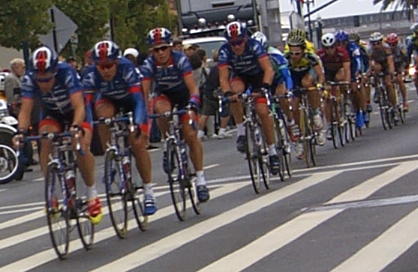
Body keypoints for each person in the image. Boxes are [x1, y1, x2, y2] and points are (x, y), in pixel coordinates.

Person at [14, 46, 103, 224]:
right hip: (52, 114)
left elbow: (79, 106)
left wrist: (76, 126)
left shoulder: (66, 73)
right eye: (40, 79)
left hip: (75, 112)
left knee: (80, 144)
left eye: (47, 78)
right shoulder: (30, 79)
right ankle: (51, 192)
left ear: (54, 71)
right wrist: (21, 132)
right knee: (45, 139)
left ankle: (92, 194)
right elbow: (25, 110)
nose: (44, 84)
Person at [82, 40, 157, 215]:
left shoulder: (127, 68)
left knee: (137, 144)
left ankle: (148, 192)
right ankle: (111, 154)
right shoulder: (91, 74)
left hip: (131, 101)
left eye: (109, 66)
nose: (105, 70)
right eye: (101, 67)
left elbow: (140, 101)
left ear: (116, 62)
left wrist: (139, 124)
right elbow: (86, 106)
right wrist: (87, 128)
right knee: (102, 117)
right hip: (108, 100)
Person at [140, 27, 210, 202]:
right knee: (160, 111)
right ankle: (167, 142)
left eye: (164, 48)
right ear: (151, 51)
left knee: (190, 135)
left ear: (170, 47)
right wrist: (143, 113)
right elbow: (144, 92)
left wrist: (194, 102)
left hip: (183, 95)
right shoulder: (149, 64)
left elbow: (192, 87)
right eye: (156, 50)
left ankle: (201, 179)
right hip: (164, 95)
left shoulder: (180, 60)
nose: (161, 52)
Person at [218, 21, 281, 175]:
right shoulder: (225, 51)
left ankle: (272, 152)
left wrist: (265, 87)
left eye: (239, 42)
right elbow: (223, 78)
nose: (236, 47)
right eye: (233, 44)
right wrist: (227, 93)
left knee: (262, 111)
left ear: (245, 39)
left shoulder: (254, 46)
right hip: (240, 77)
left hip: (258, 76)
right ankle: (241, 132)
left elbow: (268, 69)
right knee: (234, 95)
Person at [284, 31, 326, 159]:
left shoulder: (311, 57)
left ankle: (316, 113)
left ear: (303, 51)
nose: (294, 56)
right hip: (294, 77)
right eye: (292, 53)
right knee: (294, 106)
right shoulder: (286, 59)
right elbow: (283, 77)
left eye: (297, 53)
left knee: (308, 84)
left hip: (308, 73)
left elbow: (320, 75)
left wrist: (319, 84)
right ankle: (299, 139)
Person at [5, 58, 39, 166]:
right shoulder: (11, 79)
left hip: (23, 108)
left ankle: (27, 158)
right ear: (15, 67)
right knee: (20, 134)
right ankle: (22, 159)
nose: (23, 69)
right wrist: (16, 108)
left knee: (27, 134)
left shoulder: (20, 78)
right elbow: (11, 96)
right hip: (18, 110)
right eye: (22, 67)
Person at [317, 33, 351, 139]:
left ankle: (344, 102)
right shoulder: (319, 55)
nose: (329, 51)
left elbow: (346, 69)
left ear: (335, 46)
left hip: (338, 71)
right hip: (326, 74)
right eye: (326, 48)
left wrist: (347, 83)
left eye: (331, 48)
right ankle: (330, 124)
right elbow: (318, 71)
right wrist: (321, 84)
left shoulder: (342, 53)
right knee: (327, 99)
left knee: (339, 79)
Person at [335, 30, 367, 129]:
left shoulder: (353, 47)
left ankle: (359, 112)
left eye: (343, 42)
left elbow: (358, 61)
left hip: (353, 67)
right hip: (341, 68)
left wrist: (359, 73)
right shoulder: (335, 50)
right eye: (338, 43)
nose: (341, 45)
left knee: (355, 89)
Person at [367, 32, 396, 109]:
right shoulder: (370, 50)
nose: (376, 45)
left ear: (381, 42)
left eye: (378, 43)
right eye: (373, 44)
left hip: (386, 64)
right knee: (375, 68)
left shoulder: (386, 48)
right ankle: (377, 89)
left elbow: (390, 62)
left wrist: (391, 72)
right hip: (378, 63)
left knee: (388, 84)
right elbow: (370, 63)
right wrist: (369, 73)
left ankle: (394, 105)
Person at [386, 32, 409, 111]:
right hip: (389, 65)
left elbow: (406, 58)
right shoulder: (386, 48)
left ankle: (405, 101)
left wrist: (406, 69)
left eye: (394, 44)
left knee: (399, 80)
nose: (392, 46)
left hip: (399, 64)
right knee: (388, 82)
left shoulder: (401, 47)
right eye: (390, 44)